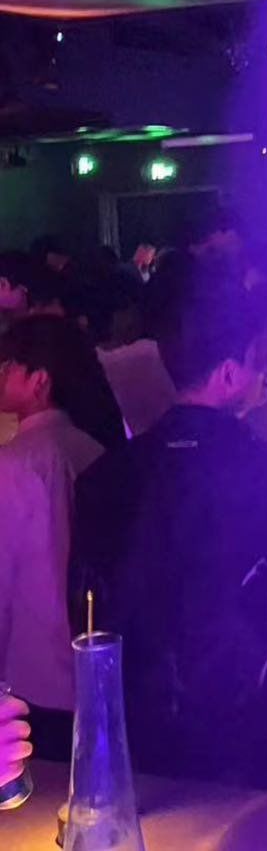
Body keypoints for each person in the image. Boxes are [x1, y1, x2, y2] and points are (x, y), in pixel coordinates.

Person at [71, 277, 267, 787]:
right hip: (248, 724)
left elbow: (86, 605)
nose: (263, 377)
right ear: (229, 372)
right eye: (257, 364)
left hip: (135, 721)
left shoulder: (105, 477)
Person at [0, 317, 121, 745]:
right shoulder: (95, 451)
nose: (1, 374)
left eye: (9, 365)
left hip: (32, 674)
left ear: (40, 380)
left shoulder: (14, 464)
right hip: (93, 668)